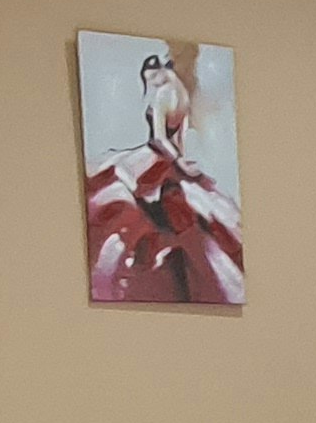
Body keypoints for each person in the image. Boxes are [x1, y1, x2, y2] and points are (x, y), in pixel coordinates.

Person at [83, 44, 244, 304]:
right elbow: (179, 136)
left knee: (117, 187)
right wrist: (180, 162)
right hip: (171, 157)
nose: (150, 83)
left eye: (149, 77)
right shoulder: (181, 94)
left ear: (157, 70)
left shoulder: (162, 94)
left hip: (157, 156)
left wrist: (175, 162)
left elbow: (159, 138)